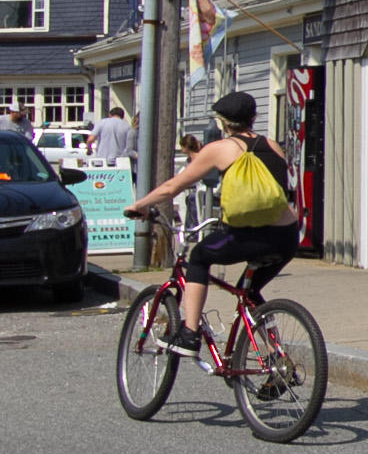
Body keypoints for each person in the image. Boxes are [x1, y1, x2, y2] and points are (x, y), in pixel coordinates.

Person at [124, 92, 300, 356]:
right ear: (253, 118)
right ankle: (277, 356)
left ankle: (189, 333)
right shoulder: (273, 146)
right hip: (286, 236)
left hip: (249, 235)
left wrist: (140, 205)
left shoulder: (220, 149)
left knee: (198, 256)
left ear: (222, 122)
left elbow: (173, 186)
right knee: (249, 292)